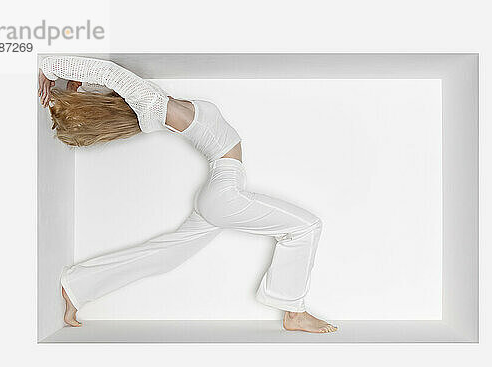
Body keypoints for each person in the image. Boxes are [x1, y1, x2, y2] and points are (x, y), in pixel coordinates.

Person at [38, 56, 337, 333]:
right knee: (306, 227)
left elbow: (106, 82)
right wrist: (51, 68)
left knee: (165, 257)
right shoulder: (152, 104)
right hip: (224, 192)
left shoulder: (151, 106)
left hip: (221, 192)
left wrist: (77, 86)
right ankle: (293, 311)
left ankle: (77, 286)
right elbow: (109, 74)